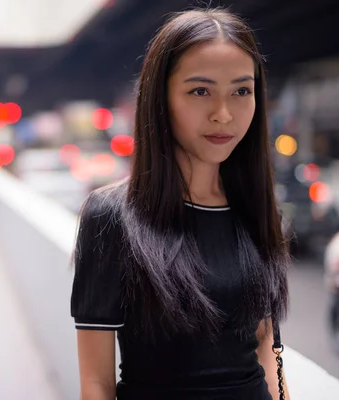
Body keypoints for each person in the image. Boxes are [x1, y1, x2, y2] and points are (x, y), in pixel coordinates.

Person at [70, 8, 291, 400]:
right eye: (200, 91)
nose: (223, 114)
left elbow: (264, 346)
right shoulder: (111, 217)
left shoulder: (257, 210)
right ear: (161, 98)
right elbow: (96, 383)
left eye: (242, 90)